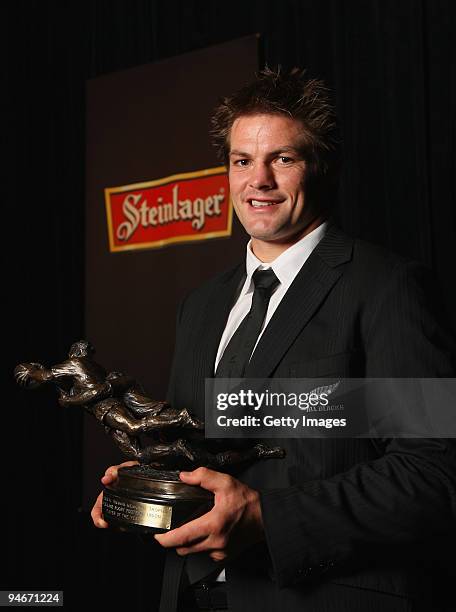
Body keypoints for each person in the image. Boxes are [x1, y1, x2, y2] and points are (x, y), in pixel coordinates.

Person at [91, 68, 456, 612]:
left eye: (282, 159)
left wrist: (270, 518)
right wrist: (147, 477)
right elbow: (206, 447)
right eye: (242, 161)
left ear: (319, 166)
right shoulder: (201, 305)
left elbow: (435, 470)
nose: (257, 180)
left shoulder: (385, 286)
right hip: (191, 593)